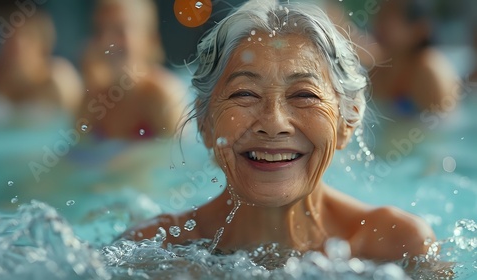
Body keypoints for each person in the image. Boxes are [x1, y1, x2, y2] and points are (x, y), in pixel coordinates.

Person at [123, 0, 435, 261]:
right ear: (205, 122)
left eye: (304, 95)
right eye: (244, 93)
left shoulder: (397, 247)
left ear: (347, 122)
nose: (273, 123)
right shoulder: (153, 250)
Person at [77, 0, 185, 140]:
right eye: (99, 31)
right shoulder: (93, 99)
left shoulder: (163, 97)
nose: (106, 41)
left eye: (120, 30)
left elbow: (183, 156)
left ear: (149, 39)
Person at [369, 0, 459, 117]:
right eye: (380, 13)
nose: (379, 23)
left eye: (391, 15)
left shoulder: (430, 73)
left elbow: (443, 130)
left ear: (420, 29)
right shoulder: (377, 70)